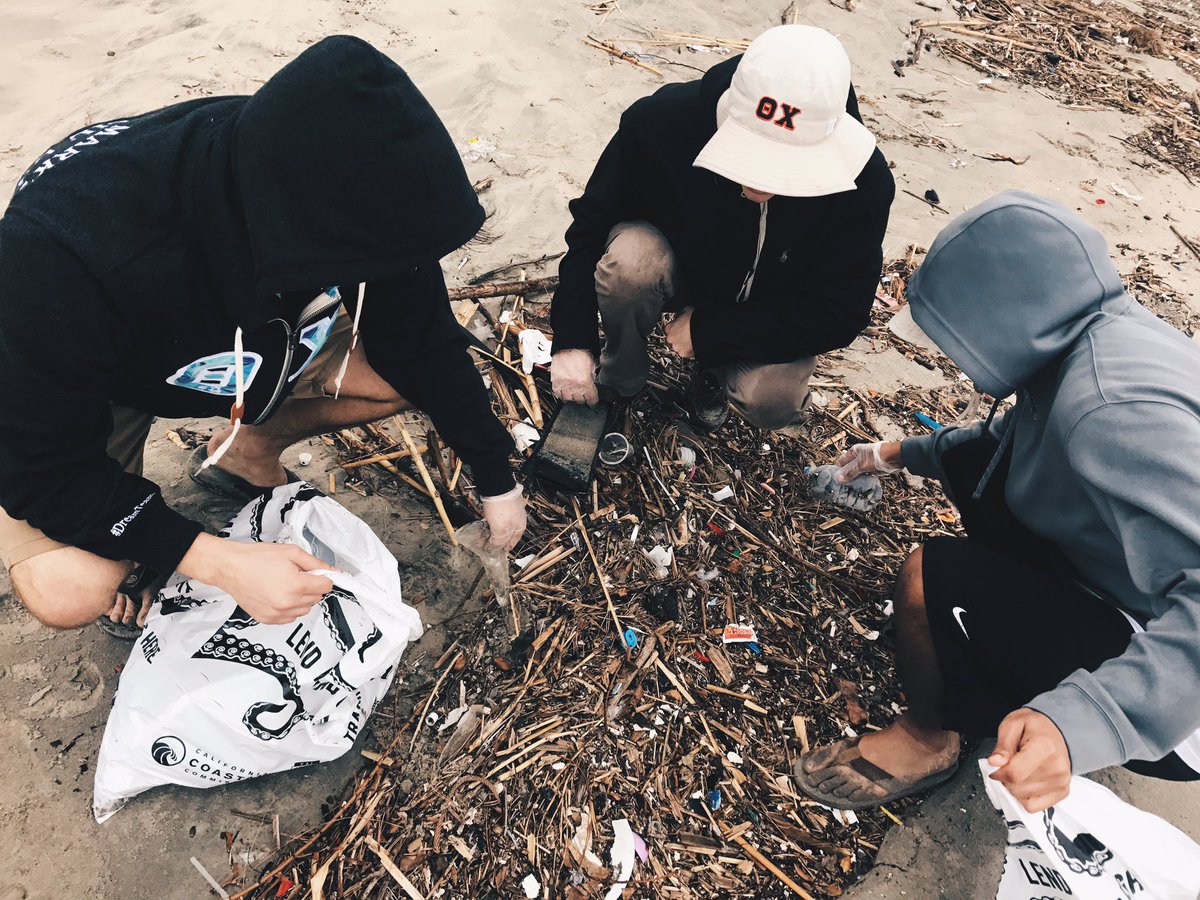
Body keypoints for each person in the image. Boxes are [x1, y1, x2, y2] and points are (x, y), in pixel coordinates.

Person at [0, 36, 526, 634]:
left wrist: (495, 477)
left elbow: (426, 345)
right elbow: (39, 473)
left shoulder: (345, 166)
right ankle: (130, 545)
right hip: (97, 384)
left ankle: (244, 456)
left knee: (396, 378)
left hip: (242, 352)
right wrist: (219, 562)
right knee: (70, 588)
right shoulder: (56, 253)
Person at [793, 191, 1200, 814]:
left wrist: (1083, 722)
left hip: (1179, 707)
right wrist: (898, 454)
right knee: (987, 475)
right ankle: (997, 658)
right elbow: (1008, 442)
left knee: (930, 577)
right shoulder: (1102, 338)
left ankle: (927, 738)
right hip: (1133, 587)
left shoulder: (1109, 412)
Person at [548, 25, 894, 432]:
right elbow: (590, 226)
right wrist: (573, 339)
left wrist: (712, 332)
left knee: (773, 400)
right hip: (684, 266)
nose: (763, 179)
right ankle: (620, 376)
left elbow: (842, 312)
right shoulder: (660, 123)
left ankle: (713, 375)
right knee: (629, 263)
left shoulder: (862, 180)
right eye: (752, 152)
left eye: (787, 164)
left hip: (771, 305)